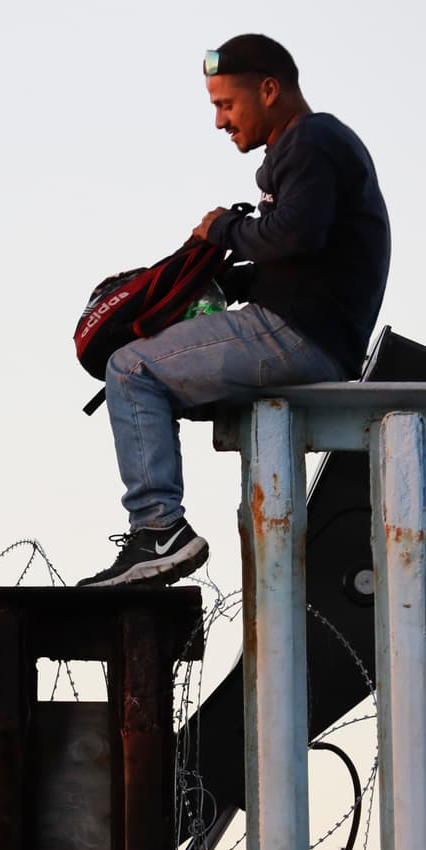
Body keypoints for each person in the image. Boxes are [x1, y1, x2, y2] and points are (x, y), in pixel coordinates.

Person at [79, 34, 390, 587]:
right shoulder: (307, 149)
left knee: (131, 369)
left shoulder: (311, 139)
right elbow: (307, 252)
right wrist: (227, 276)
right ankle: (158, 529)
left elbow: (296, 232)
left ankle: (159, 531)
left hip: (298, 336)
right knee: (152, 385)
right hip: (313, 332)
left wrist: (223, 228)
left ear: (269, 90)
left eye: (226, 104)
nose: (220, 122)